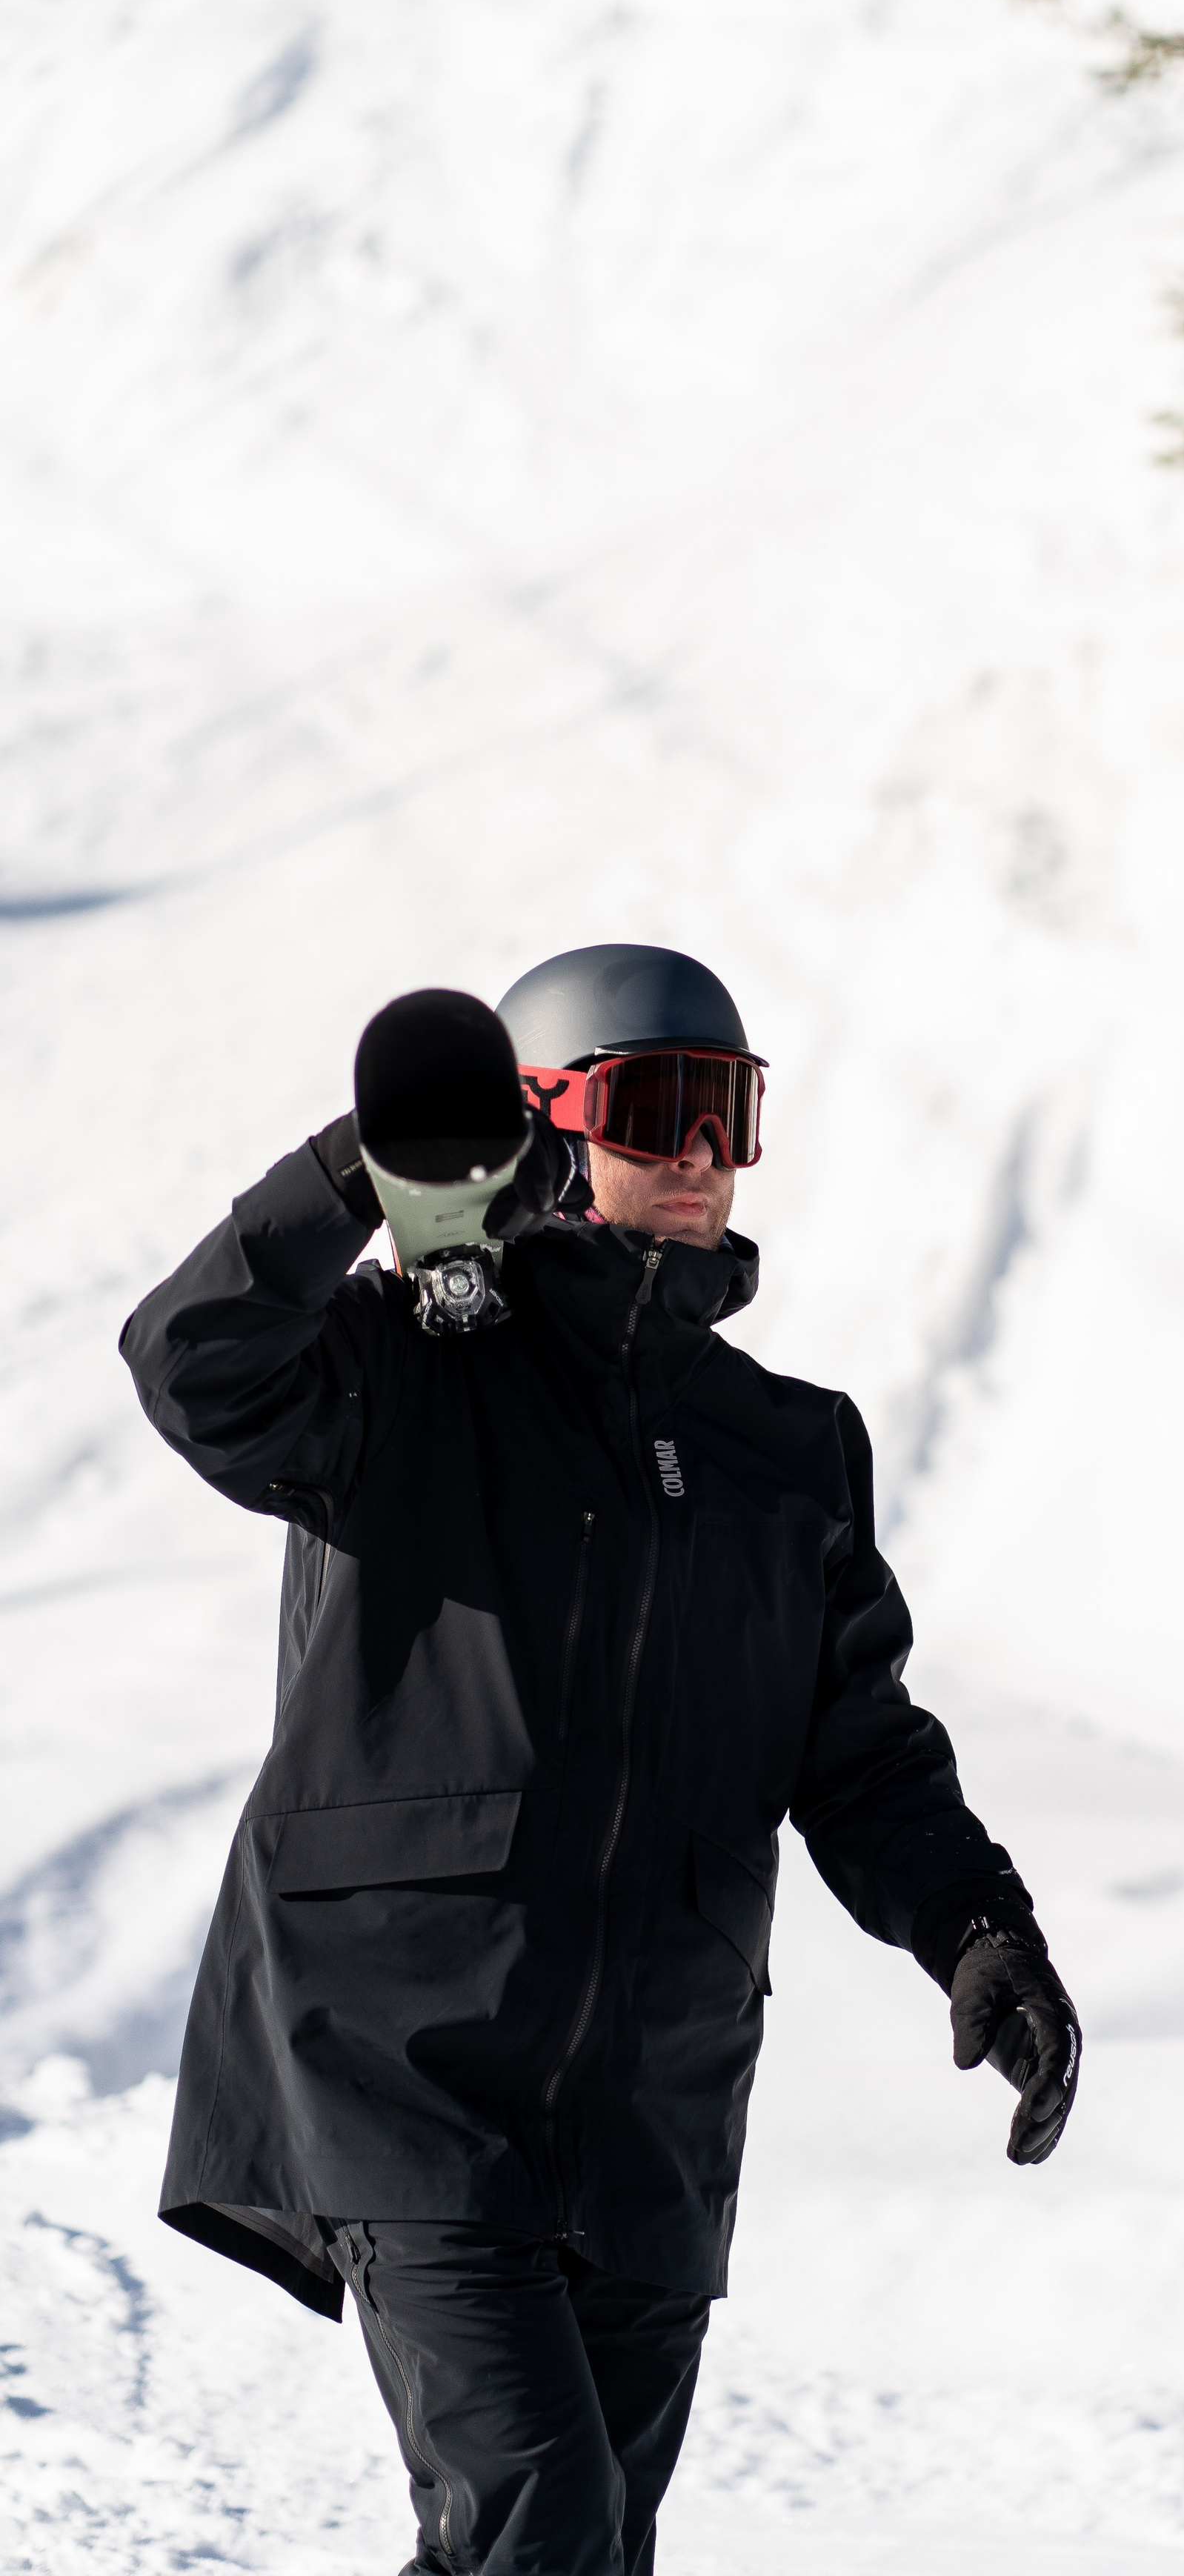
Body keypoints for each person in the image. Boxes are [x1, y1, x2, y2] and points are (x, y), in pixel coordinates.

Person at [120, 942, 1080, 2576]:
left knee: (583, 2545)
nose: (698, 1153)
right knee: (543, 2526)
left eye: (729, 1110)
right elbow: (190, 1363)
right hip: (406, 2067)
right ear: (544, 1127)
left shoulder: (784, 1445)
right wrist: (368, 1164)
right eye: (654, 1107)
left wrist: (980, 1932)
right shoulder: (397, 1371)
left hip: (656, 2099)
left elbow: (858, 1755)